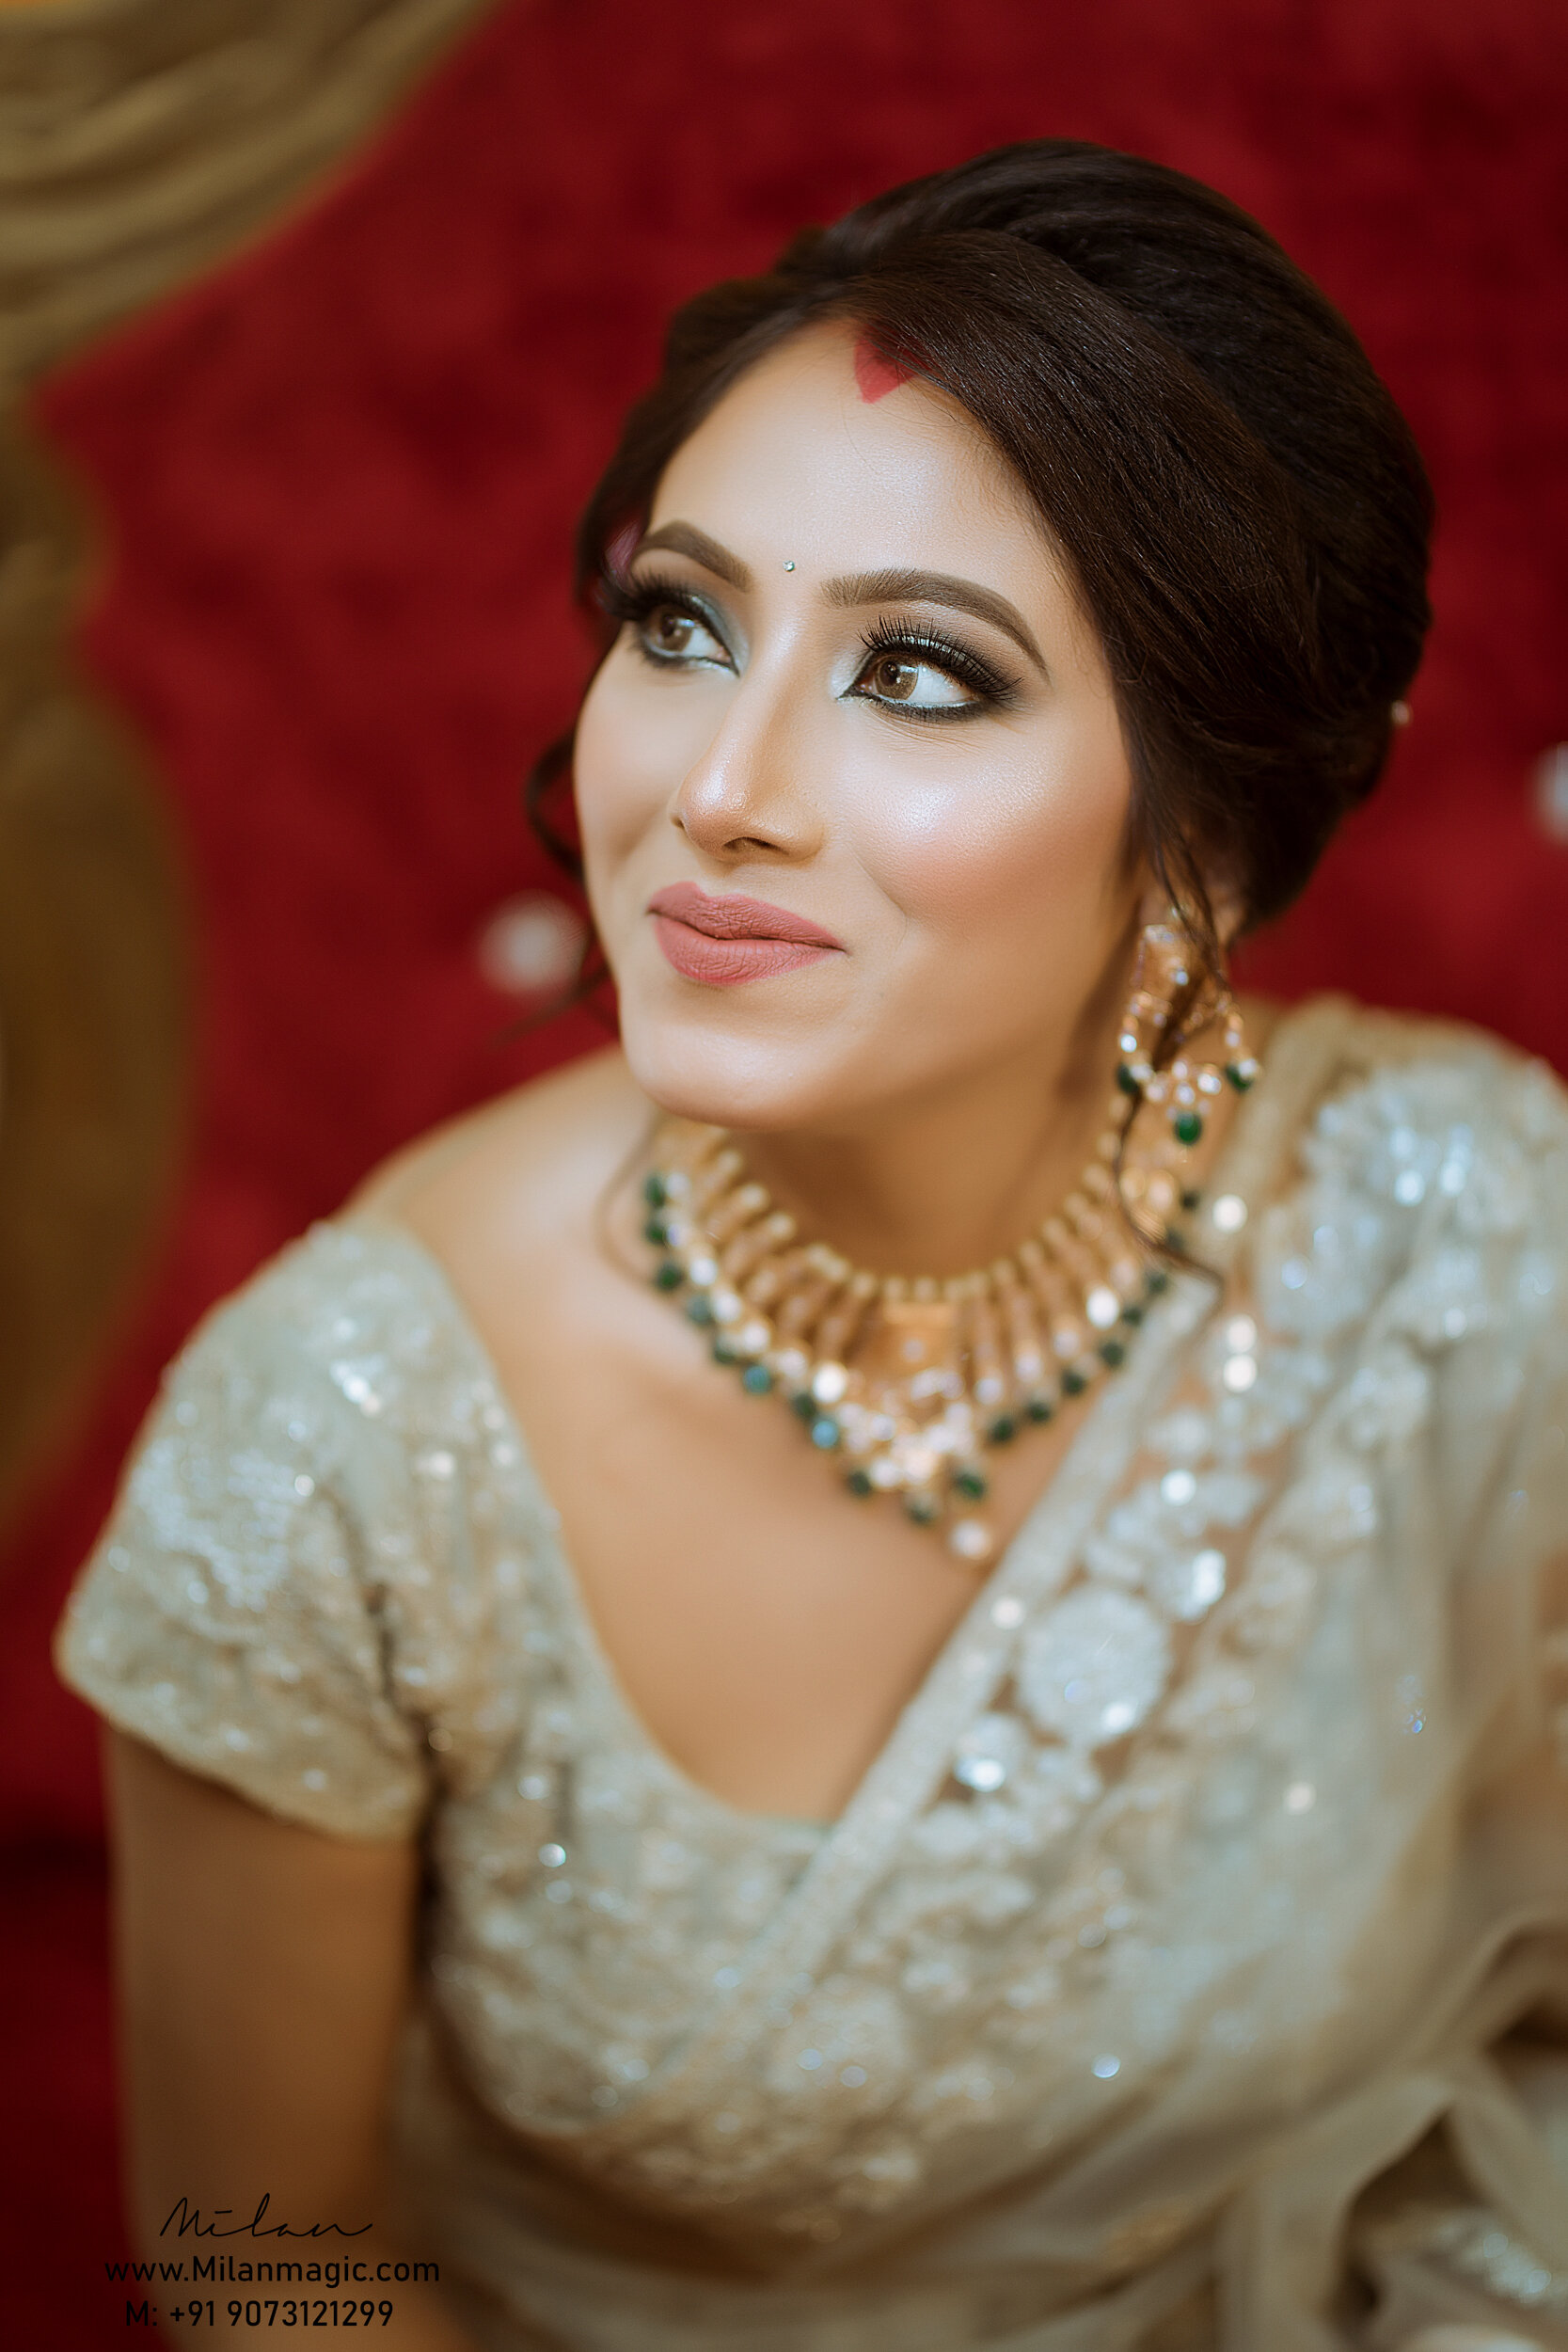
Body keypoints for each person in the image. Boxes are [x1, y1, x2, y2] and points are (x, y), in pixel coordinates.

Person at [55, 140, 1568, 2352]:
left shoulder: (1467, 1244)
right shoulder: (338, 1446)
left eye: (925, 676)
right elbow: (258, 2269)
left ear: (1205, 846)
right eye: (680, 624)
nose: (716, 784)